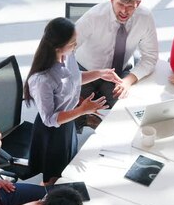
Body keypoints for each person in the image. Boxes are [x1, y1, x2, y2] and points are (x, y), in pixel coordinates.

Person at [24, 17, 122, 185]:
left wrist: (99, 73)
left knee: (66, 169)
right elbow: (50, 119)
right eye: (73, 43)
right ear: (58, 47)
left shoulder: (67, 56)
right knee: (53, 178)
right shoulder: (42, 79)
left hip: (68, 123)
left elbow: (73, 80)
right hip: (53, 132)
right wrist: (83, 110)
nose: (76, 46)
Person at [74, 0, 159, 129]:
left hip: (117, 74)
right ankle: (87, 121)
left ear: (138, 3)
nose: (124, 11)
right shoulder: (94, 17)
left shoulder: (145, 18)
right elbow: (65, 50)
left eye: (130, 6)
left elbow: (151, 57)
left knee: (128, 113)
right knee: (69, 105)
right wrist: (71, 81)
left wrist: (129, 80)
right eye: (120, 4)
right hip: (85, 70)